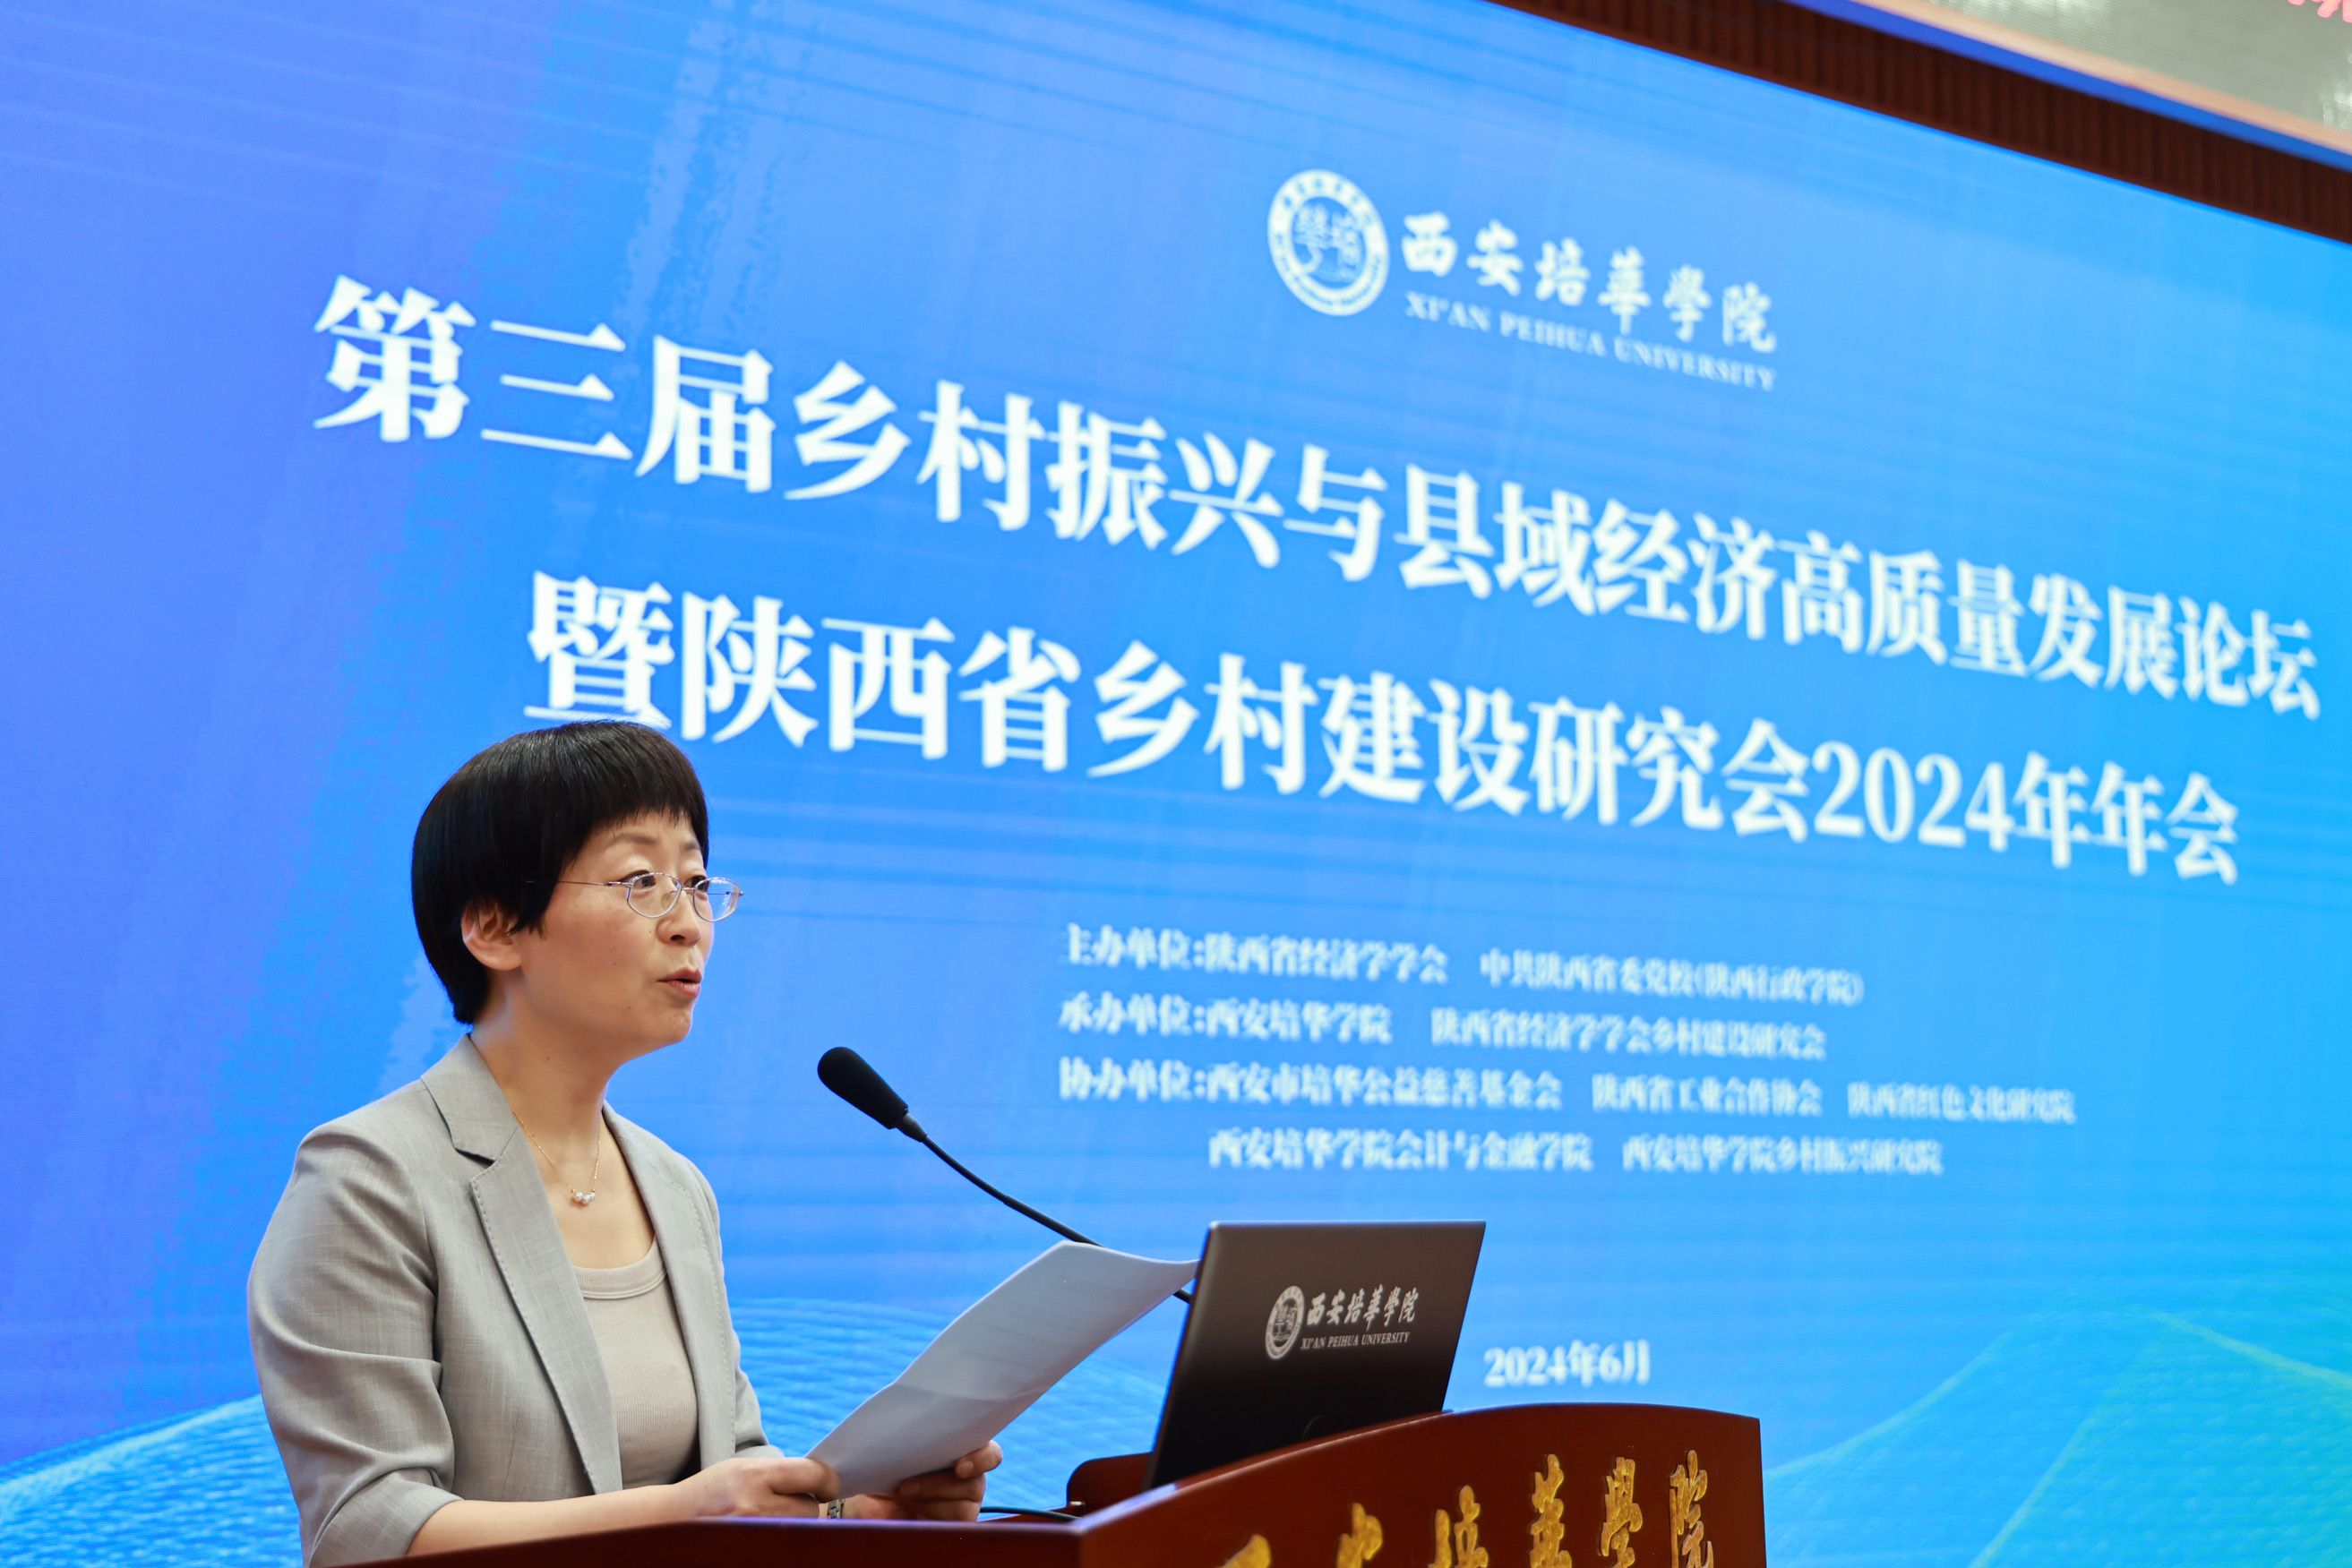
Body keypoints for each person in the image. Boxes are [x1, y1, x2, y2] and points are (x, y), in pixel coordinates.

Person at [249, 722, 999, 1564]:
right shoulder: (371, 1179)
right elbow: (365, 1527)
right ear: (495, 927)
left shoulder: (674, 1186)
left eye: (697, 882)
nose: (689, 924)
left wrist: (852, 1510)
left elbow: (731, 1469)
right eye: (642, 881)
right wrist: (681, 1515)